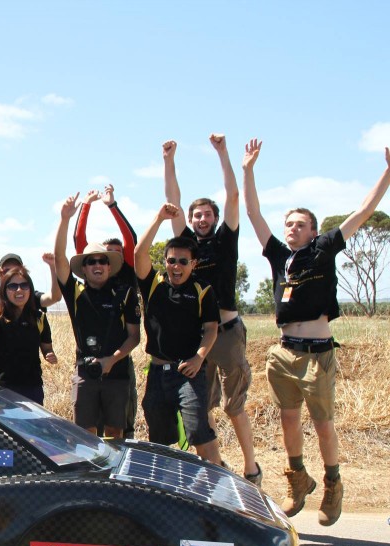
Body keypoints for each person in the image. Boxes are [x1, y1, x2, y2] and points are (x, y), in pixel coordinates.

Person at [243, 139, 390, 525]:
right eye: (288, 223)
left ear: (313, 231)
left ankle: (332, 483)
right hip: (283, 352)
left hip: (317, 353)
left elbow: (363, 211)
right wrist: (247, 169)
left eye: (300, 224)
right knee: (288, 420)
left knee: (324, 424)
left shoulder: (323, 249)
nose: (292, 229)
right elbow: (253, 213)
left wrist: (388, 172)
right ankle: (298, 479)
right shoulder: (279, 256)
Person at [164, 135, 261, 484]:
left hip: (228, 332)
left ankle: (251, 469)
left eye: (207, 214)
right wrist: (169, 161)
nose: (201, 219)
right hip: (198, 337)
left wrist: (223, 152)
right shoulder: (186, 247)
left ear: (216, 218)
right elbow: (172, 203)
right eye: (197, 215)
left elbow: (233, 196)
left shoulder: (225, 239)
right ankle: (214, 468)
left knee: (234, 407)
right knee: (200, 406)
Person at [134, 203, 221, 464]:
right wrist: (159, 218)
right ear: (165, 262)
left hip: (188, 373)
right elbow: (139, 253)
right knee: (160, 440)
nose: (176, 266)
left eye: (183, 262)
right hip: (157, 373)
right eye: (171, 260)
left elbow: (211, 329)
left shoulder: (202, 290)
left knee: (199, 433)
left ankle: (214, 482)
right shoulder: (154, 284)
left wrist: (199, 358)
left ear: (193, 264)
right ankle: (167, 485)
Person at [54, 193, 141, 438]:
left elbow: (134, 336)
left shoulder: (125, 294)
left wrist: (111, 360)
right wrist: (64, 219)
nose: (97, 265)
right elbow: (59, 258)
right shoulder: (76, 292)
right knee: (84, 435)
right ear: (83, 268)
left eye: (102, 261)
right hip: (85, 372)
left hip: (118, 373)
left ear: (110, 266)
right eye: (91, 261)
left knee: (115, 434)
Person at [0, 267, 56, 403]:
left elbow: (47, 348)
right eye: (13, 286)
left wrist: (49, 354)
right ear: (4, 291)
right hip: (2, 390)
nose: (19, 290)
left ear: (30, 289)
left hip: (32, 389)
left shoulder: (39, 318)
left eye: (24, 285)